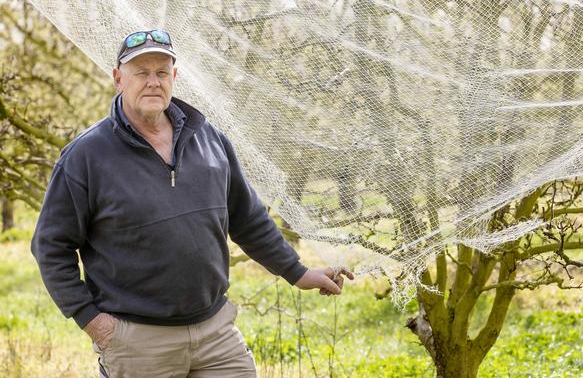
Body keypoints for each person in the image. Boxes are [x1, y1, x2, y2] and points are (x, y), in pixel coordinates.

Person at [31, 29, 353, 378]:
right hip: (138, 342)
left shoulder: (209, 139)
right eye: (141, 72)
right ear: (117, 79)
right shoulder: (86, 156)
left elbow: (247, 219)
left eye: (161, 72)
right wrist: (92, 321)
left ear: (174, 77)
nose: (153, 82)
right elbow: (51, 246)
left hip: (216, 333)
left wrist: (299, 272)